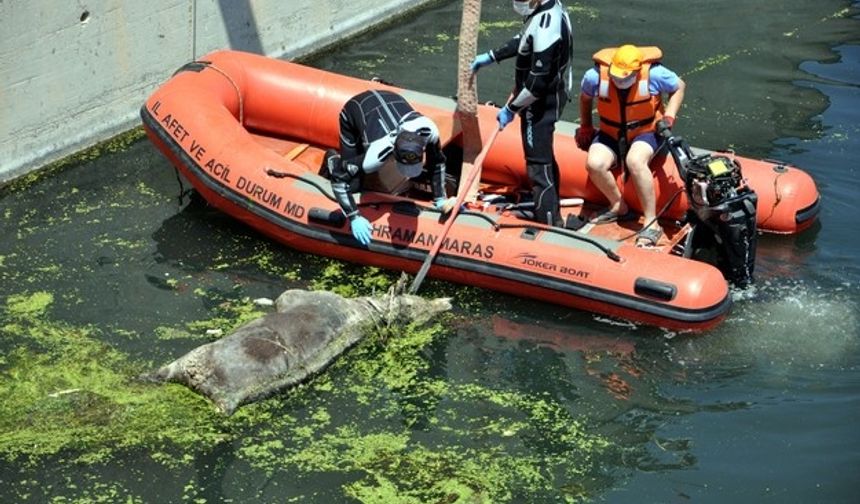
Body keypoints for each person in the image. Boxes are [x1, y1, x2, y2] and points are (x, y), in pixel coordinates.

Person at [470, 0, 573, 228]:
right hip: (547, 95)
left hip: (540, 102)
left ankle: (548, 222)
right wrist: (491, 56)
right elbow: (524, 39)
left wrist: (511, 109)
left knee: (537, 161)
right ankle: (551, 210)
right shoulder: (547, 9)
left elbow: (536, 85)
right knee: (543, 155)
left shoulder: (548, 26)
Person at [575, 44, 686, 247]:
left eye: (625, 78)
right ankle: (618, 206)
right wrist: (586, 127)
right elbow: (585, 99)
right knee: (594, 163)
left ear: (636, 72)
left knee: (635, 161)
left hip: (646, 131)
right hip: (610, 132)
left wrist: (669, 117)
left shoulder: (655, 74)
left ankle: (652, 223)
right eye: (616, 77)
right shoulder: (595, 76)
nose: (619, 81)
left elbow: (679, 86)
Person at [323, 89, 456, 246]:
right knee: (354, 186)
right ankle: (331, 159)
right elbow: (339, 178)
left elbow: (437, 162)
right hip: (356, 108)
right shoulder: (374, 156)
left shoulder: (429, 131)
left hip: (391, 99)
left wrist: (440, 199)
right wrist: (354, 216)